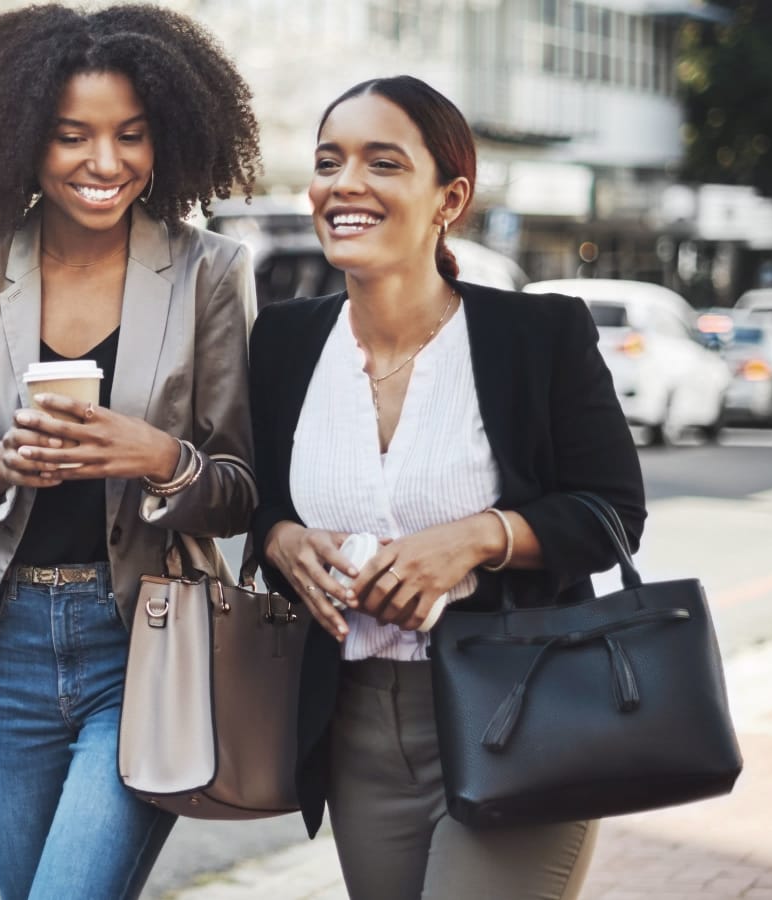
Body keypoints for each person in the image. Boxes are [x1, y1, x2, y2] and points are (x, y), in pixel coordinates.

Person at [247, 76, 647, 900]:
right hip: (354, 721)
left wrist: (474, 538)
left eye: (382, 163)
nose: (345, 184)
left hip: (522, 706)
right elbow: (259, 501)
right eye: (330, 162)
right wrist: (281, 540)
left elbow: (614, 513)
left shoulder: (538, 337)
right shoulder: (283, 342)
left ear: (448, 197)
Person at [0, 6, 261, 897]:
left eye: (130, 136)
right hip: (3, 645)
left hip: (146, 637)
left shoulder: (211, 271)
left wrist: (159, 457)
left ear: (164, 140)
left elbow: (244, 488)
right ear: (24, 138)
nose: (105, 164)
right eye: (72, 137)